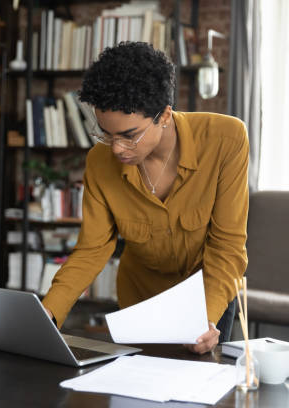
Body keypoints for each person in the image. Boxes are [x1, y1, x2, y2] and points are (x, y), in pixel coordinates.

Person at [41, 42, 249, 354]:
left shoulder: (226, 140)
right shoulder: (100, 162)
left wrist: (203, 318)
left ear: (164, 115)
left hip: (208, 301)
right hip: (140, 305)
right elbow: (92, 250)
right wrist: (49, 313)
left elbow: (227, 246)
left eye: (128, 135)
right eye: (106, 134)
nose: (116, 149)